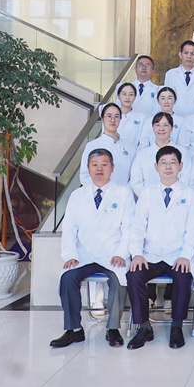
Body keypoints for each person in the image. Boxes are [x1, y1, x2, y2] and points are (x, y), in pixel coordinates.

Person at [51, 148, 134, 348]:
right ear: (88, 168)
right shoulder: (77, 195)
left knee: (118, 278)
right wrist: (70, 255)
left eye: (104, 164)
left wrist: (121, 253)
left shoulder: (123, 194)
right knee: (68, 277)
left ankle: (113, 329)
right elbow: (69, 229)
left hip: (112, 253)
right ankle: (74, 330)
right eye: (94, 165)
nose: (99, 169)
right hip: (84, 254)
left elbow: (129, 229)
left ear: (112, 168)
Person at [125, 146, 194, 350]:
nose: (168, 167)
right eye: (163, 163)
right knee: (134, 275)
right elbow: (138, 227)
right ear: (156, 167)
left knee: (183, 277)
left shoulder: (190, 194)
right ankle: (144, 327)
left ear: (181, 166)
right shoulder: (147, 194)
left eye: (172, 163)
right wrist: (137, 254)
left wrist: (185, 255)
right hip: (150, 254)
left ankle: (176, 327)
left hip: (178, 254)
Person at [130, 112, 190, 196]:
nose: (161, 129)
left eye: (165, 125)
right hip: (148, 200)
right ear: (153, 128)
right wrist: (150, 198)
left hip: (176, 199)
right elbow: (136, 182)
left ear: (172, 128)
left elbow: (186, 178)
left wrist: (172, 197)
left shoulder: (182, 152)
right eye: (157, 125)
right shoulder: (142, 154)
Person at [80, 103, 136, 187]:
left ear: (120, 119)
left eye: (116, 116)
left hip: (123, 193)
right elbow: (85, 176)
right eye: (109, 116)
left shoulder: (130, 147)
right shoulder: (92, 146)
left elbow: (134, 176)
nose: (113, 120)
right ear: (102, 119)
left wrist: (124, 192)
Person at [163, 41, 194, 117]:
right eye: (186, 53)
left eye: (192, 54)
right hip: (174, 118)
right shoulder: (170, 74)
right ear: (180, 54)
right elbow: (166, 96)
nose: (189, 56)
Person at [115, 82, 145, 148]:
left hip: (133, 152)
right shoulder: (112, 116)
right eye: (124, 94)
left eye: (131, 94)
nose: (127, 97)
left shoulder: (141, 117)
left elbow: (143, 141)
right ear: (118, 96)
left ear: (135, 97)